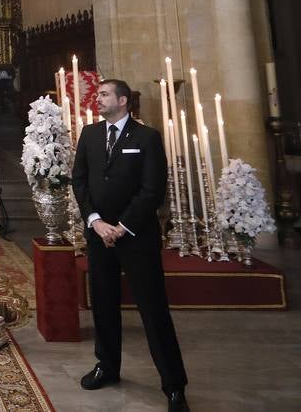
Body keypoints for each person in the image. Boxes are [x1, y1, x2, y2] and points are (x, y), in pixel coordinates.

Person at [72, 79, 190, 412]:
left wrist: (122, 226)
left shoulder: (147, 137)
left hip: (135, 237)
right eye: (98, 95)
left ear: (123, 101)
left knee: (153, 309)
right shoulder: (90, 135)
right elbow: (79, 180)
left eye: (105, 94)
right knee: (104, 304)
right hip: (99, 235)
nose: (99, 99)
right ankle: (107, 366)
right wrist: (95, 220)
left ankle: (174, 385)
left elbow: (152, 189)